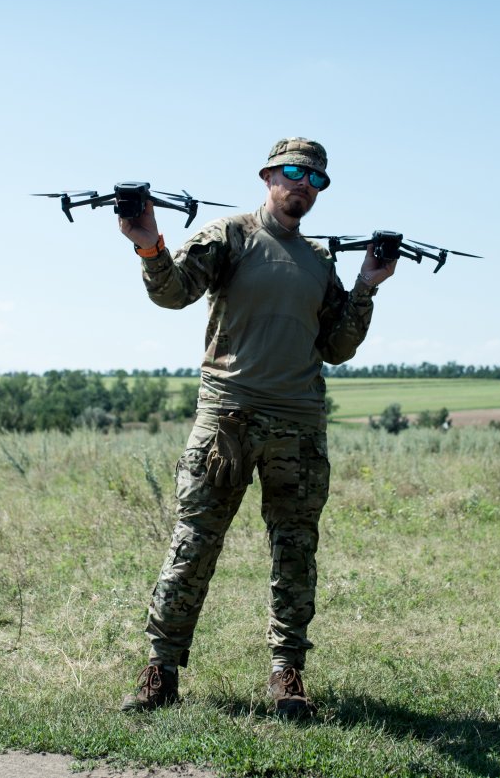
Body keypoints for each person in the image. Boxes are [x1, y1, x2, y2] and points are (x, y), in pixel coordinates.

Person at [117, 137, 396, 717]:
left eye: (316, 180)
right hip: (228, 419)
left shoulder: (321, 262)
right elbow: (174, 294)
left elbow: (338, 347)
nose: (304, 186)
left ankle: (286, 676)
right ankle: (160, 671)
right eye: (294, 173)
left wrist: (368, 284)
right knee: (193, 543)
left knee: (294, 550)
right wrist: (149, 245)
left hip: (297, 426)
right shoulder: (230, 237)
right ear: (268, 175)